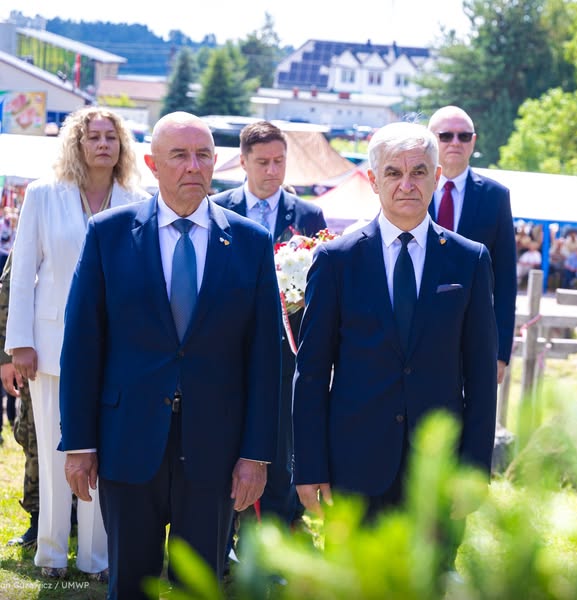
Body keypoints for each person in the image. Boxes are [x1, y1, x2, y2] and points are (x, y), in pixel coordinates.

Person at [58, 111, 282, 599]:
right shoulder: (109, 234)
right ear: (152, 163)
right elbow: (82, 346)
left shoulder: (250, 242)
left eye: (203, 155)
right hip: (128, 441)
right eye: (179, 155)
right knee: (130, 584)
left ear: (217, 162)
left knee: (199, 586)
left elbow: (266, 359)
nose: (193, 166)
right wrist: (78, 442)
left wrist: (256, 454)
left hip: (216, 450)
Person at [292, 122, 498, 549]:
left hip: (438, 473)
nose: (407, 184)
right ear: (373, 180)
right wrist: (310, 466)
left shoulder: (469, 260)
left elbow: (480, 376)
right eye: (393, 173)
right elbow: (311, 373)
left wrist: (475, 470)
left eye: (419, 172)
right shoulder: (336, 260)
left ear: (436, 177)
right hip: (354, 468)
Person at [4, 106, 150, 580]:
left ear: (122, 145)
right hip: (51, 347)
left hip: (117, 350)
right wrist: (19, 343)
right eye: (94, 137)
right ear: (77, 144)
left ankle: (96, 557)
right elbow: (22, 273)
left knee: (103, 452)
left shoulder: (138, 200)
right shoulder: (44, 195)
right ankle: (50, 553)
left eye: (111, 137)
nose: (103, 144)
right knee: (53, 452)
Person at [211, 121, 326, 531]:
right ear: (243, 162)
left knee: (279, 444)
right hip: (228, 349)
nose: (272, 170)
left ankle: (277, 531)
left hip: (284, 352)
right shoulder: (218, 208)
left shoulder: (308, 214)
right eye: (263, 162)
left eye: (279, 161)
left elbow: (319, 285)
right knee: (225, 442)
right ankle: (224, 532)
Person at [427, 106, 517, 385]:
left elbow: (505, 278)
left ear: (473, 141)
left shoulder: (495, 196)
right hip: (413, 329)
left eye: (464, 136)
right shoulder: (408, 189)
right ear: (430, 139)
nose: (455, 142)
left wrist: (500, 352)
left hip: (474, 334)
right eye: (446, 135)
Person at [1, 252, 40, 548]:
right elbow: (9, 290)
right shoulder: (35, 228)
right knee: (33, 435)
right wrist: (6, 357)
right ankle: (39, 521)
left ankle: (82, 519)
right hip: (35, 355)